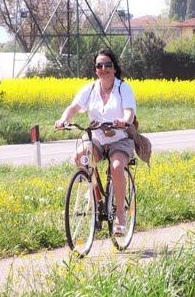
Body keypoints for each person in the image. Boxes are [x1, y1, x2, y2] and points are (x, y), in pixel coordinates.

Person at [55, 48, 136, 235]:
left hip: (120, 138)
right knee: (80, 156)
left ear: (114, 68)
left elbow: (129, 112)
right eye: (99, 65)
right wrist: (63, 119)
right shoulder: (90, 89)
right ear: (95, 69)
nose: (103, 69)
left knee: (116, 167)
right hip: (97, 138)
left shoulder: (123, 88)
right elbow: (74, 107)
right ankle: (96, 198)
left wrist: (124, 120)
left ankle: (120, 216)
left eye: (108, 65)